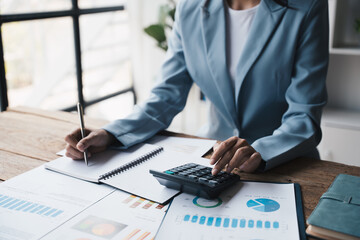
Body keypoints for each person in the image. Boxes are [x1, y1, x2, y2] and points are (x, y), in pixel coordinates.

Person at [65, 0, 329, 175]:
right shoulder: (190, 7)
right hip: (210, 159)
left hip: (285, 163)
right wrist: (112, 134)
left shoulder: (306, 7)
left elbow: (304, 114)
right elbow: (167, 94)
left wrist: (263, 150)